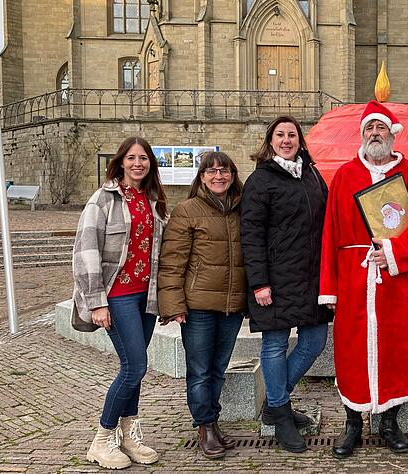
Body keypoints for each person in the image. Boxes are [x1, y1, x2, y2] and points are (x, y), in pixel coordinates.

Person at [318, 100, 408, 458]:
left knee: (397, 347)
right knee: (352, 350)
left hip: (397, 281)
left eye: (381, 128)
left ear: (392, 135)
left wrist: (395, 252)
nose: (375, 134)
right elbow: (330, 232)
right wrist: (330, 287)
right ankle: (353, 423)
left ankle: (389, 421)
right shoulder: (344, 175)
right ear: (362, 134)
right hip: (355, 279)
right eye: (369, 128)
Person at [72, 136, 168, 470]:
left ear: (150, 164)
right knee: (135, 366)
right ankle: (101, 439)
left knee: (136, 369)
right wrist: (97, 302)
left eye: (144, 158)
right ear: (121, 162)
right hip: (117, 296)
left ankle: (129, 436)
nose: (138, 163)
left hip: (146, 296)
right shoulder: (104, 199)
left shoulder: (153, 200)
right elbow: (85, 251)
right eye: (132, 158)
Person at [240, 116, 333, 453]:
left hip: (310, 277)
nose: (286, 140)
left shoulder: (311, 174)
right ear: (270, 140)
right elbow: (250, 235)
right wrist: (259, 282)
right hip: (275, 280)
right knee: (275, 345)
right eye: (280, 135)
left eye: (292, 135)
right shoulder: (260, 180)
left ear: (300, 140)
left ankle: (277, 403)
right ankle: (280, 413)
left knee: (315, 341)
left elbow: (328, 218)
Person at [157, 151, 246, 460]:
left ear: (233, 176)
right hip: (198, 307)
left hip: (231, 306)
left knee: (219, 368)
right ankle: (204, 426)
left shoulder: (240, 209)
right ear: (202, 176)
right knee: (199, 370)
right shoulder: (187, 211)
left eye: (224, 171)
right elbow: (171, 264)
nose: (218, 176)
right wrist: (173, 305)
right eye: (212, 171)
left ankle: (213, 420)